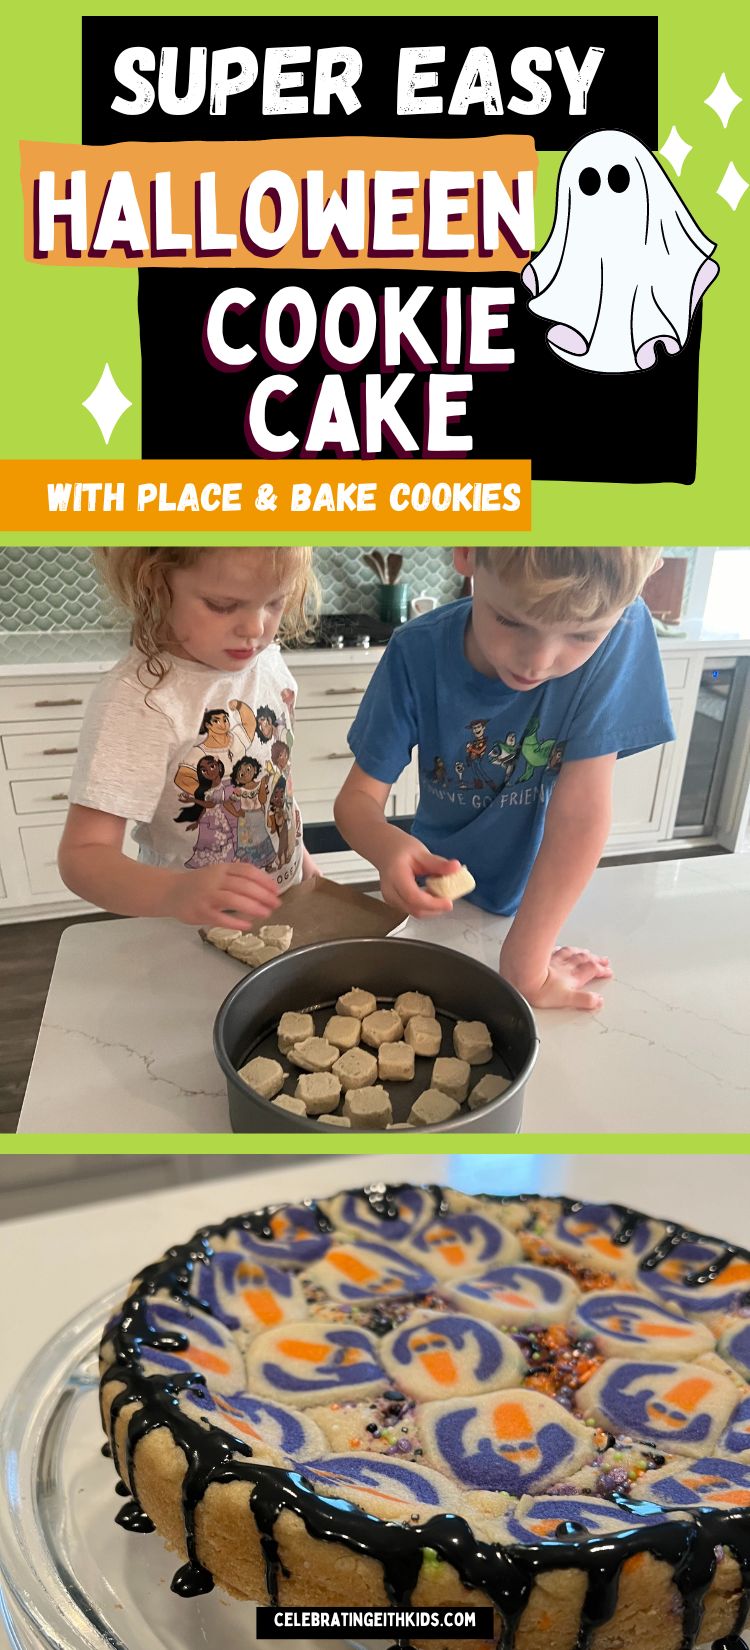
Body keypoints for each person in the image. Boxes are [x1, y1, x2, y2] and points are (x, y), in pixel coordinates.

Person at [334, 547, 674, 1012]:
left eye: (581, 635)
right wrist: (386, 846)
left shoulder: (623, 629)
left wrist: (526, 964)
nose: (538, 661)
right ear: (468, 551)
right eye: (512, 621)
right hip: (440, 894)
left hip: (542, 904)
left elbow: (579, 814)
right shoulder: (417, 651)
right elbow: (356, 801)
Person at [58, 547, 319, 929]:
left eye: (274, 602)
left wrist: (303, 861)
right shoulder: (141, 698)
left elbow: (274, 789)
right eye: (222, 604)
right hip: (189, 928)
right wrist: (175, 893)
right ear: (155, 582)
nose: (255, 629)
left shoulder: (267, 663)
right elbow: (83, 856)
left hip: (286, 906)